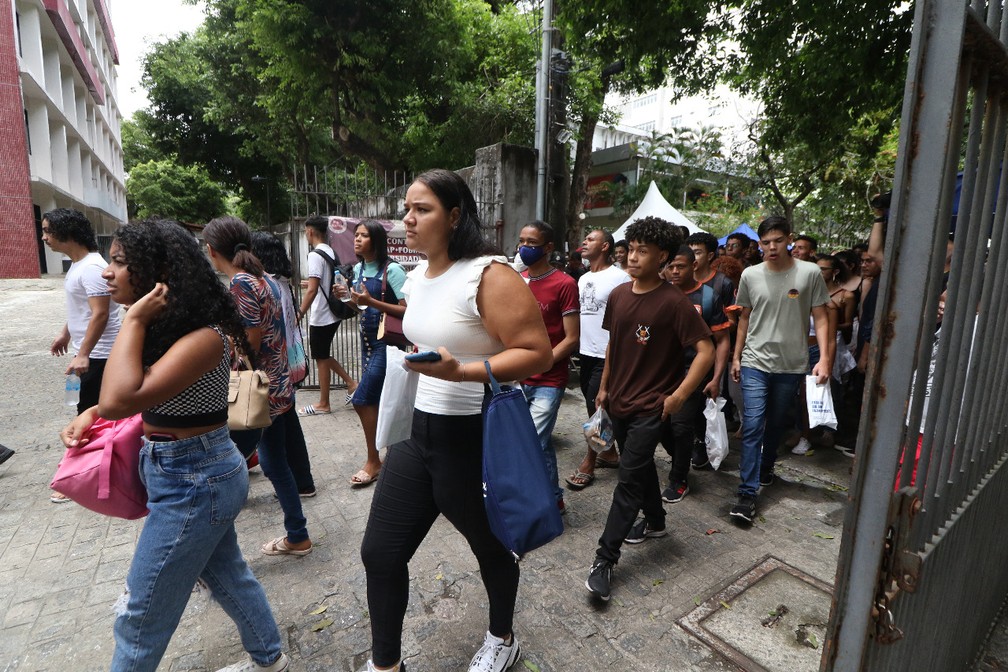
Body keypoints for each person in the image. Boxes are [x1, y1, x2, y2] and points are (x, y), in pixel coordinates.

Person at [60, 219, 288, 672]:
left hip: (196, 479)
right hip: (181, 472)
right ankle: (271, 659)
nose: (108, 272)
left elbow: (122, 395)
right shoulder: (170, 329)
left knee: (139, 613)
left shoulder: (204, 337)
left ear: (156, 271)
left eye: (121, 262)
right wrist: (93, 413)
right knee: (229, 577)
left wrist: (137, 317)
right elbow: (134, 399)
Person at [359, 169, 552, 672]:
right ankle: (386, 665)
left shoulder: (489, 274)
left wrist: (463, 371)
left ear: (456, 215)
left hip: (470, 438)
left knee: (492, 549)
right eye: (407, 208)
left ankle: (502, 637)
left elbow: (538, 352)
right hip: (417, 436)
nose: (408, 218)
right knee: (380, 553)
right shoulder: (420, 276)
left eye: (421, 209)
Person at [584, 217, 714, 602]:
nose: (634, 256)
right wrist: (604, 387)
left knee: (627, 479)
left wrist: (678, 396)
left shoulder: (674, 303)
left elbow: (705, 351)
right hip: (618, 401)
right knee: (638, 469)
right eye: (632, 249)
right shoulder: (620, 295)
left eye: (643, 251)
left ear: (662, 256)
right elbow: (614, 345)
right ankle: (656, 522)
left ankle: (604, 560)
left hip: (651, 408)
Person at [204, 216, 313, 557]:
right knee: (274, 463)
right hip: (276, 388)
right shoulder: (262, 279)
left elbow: (248, 342)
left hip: (257, 393)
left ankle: (216, 554)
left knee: (224, 473)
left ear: (211, 251)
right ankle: (297, 534)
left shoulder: (242, 285)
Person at [729, 216, 831, 524]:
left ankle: (766, 466)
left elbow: (822, 319)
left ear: (789, 238)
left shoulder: (810, 273)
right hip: (754, 361)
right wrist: (736, 356)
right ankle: (747, 493)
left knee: (775, 424)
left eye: (777, 241)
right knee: (753, 423)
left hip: (791, 364)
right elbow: (744, 319)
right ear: (759, 244)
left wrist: (824, 357)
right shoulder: (750, 274)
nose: (772, 248)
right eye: (765, 243)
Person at [42, 208, 122, 503]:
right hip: (90, 352)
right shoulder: (78, 265)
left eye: (48, 231)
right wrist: (66, 333)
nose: (44, 237)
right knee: (92, 412)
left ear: (67, 232)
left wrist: (84, 353)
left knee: (88, 415)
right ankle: (93, 471)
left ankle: (77, 478)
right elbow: (85, 309)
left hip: (101, 355)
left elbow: (100, 314)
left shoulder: (90, 267)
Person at [516, 220, 580, 512]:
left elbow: (571, 339)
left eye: (532, 243)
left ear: (548, 247)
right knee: (534, 443)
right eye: (522, 241)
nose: (525, 248)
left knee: (533, 441)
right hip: (517, 378)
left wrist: (541, 362)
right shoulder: (517, 280)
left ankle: (544, 501)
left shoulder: (565, 284)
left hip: (549, 380)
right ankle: (553, 498)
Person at [660, 246, 731, 502]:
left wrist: (716, 378)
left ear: (693, 266)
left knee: (680, 426)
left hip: (693, 372)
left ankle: (678, 479)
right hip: (660, 373)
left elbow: (722, 340)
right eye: (671, 266)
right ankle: (685, 451)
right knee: (660, 425)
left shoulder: (708, 297)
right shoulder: (659, 293)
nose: (675, 271)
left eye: (680, 266)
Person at [341, 219, 407, 487]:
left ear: (376, 240)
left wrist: (371, 301)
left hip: (388, 344)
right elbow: (362, 309)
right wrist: (349, 299)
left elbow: (408, 310)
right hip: (366, 343)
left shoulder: (393, 270)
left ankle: (374, 461)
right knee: (380, 400)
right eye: (356, 235)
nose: (357, 239)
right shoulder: (357, 269)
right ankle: (394, 457)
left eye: (364, 235)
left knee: (362, 398)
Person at [250, 232, 316, 496]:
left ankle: (293, 486)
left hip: (274, 367)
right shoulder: (283, 283)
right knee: (289, 426)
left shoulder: (266, 285)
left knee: (273, 434)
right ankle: (302, 482)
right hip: (286, 363)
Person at [566, 229, 628, 490]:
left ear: (605, 246)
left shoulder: (620, 277)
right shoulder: (583, 278)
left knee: (597, 406)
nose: (584, 242)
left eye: (590, 239)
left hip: (608, 353)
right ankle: (610, 453)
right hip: (586, 353)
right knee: (595, 406)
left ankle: (590, 460)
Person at [297, 215, 356, 414]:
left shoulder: (314, 255)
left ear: (311, 231)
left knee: (320, 356)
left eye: (306, 231)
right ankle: (350, 383)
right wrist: (311, 283)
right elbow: (327, 280)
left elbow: (313, 291)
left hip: (322, 314)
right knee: (322, 354)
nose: (306, 234)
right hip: (334, 311)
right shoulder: (330, 251)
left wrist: (299, 314)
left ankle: (324, 404)